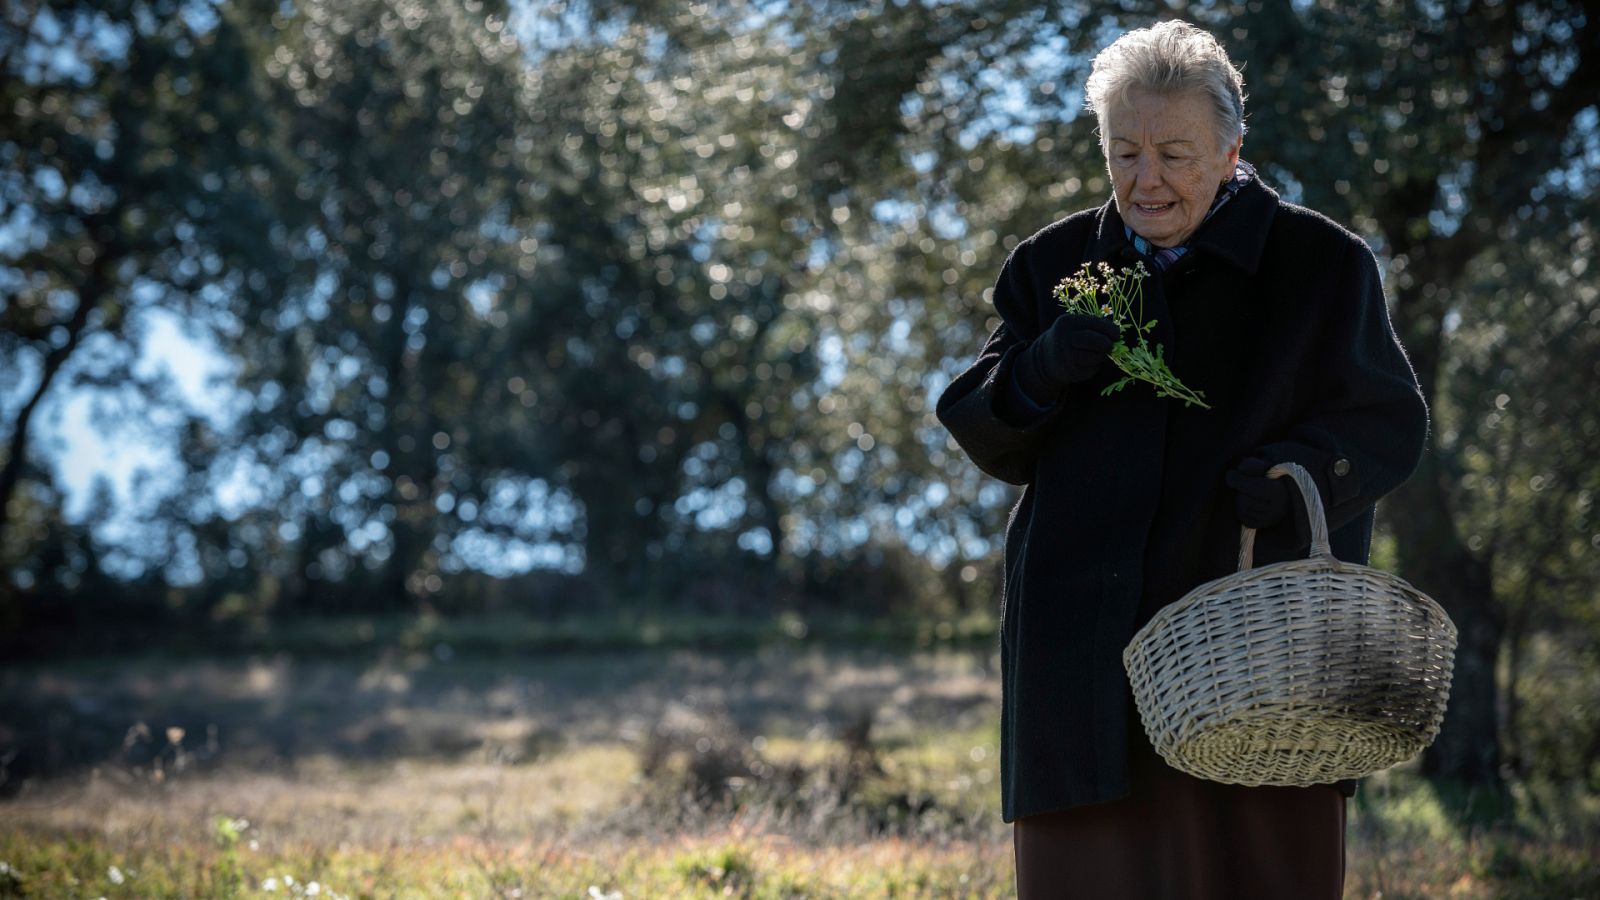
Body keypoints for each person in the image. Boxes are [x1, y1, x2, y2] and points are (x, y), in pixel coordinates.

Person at [934, 20, 1428, 899]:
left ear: (1233, 147)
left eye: (1173, 153)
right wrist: (1040, 366)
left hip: (1258, 663)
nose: (1144, 179)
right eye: (1122, 152)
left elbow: (1389, 425)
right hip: (1081, 665)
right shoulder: (1054, 264)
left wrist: (1302, 477)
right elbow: (982, 427)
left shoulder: (1322, 266)